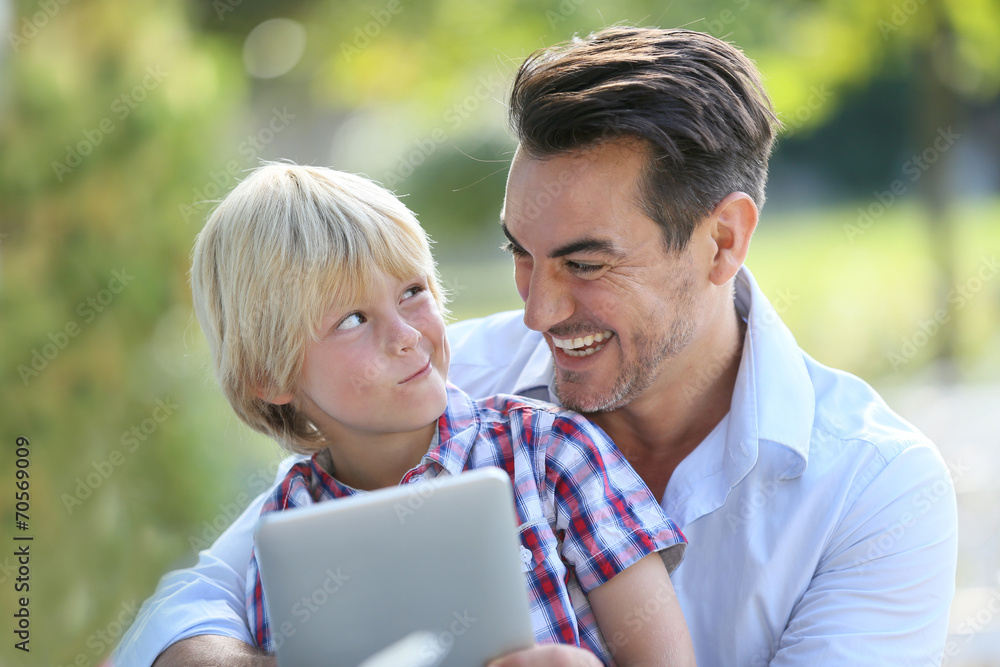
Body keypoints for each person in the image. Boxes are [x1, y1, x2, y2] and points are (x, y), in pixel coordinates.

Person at [117, 26, 958, 667]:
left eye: (584, 262)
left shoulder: (876, 490)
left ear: (722, 242)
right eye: (519, 253)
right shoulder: (436, 386)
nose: (538, 311)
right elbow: (189, 608)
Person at [170, 162, 693, 665]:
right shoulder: (288, 531)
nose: (405, 335)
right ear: (270, 376)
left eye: (412, 292)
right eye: (352, 319)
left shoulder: (551, 450)